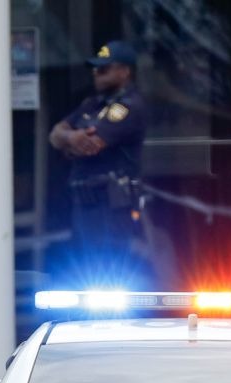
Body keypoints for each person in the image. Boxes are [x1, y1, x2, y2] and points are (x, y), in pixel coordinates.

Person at [48, 39, 151, 287]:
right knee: (88, 271)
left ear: (124, 71)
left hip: (112, 202)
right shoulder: (91, 104)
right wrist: (72, 137)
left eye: (104, 68)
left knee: (111, 272)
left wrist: (70, 142)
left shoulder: (128, 107)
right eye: (95, 68)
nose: (97, 72)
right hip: (86, 201)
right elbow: (55, 134)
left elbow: (92, 146)